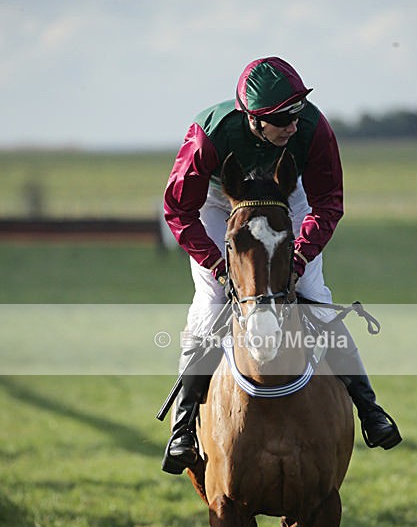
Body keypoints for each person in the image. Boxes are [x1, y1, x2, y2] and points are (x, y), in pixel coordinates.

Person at [162, 56, 401, 474]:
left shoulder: (313, 126)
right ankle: (183, 428)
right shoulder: (208, 135)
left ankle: (369, 408)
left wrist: (301, 255)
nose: (294, 124)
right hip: (219, 204)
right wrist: (218, 264)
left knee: (314, 295)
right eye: (282, 120)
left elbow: (328, 201)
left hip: (288, 199)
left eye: (297, 113)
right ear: (253, 119)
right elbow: (179, 209)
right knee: (212, 302)